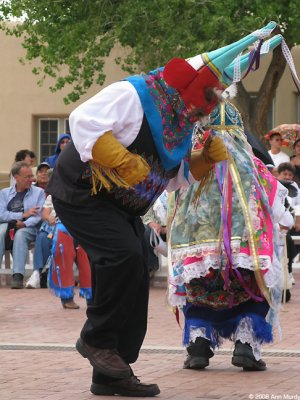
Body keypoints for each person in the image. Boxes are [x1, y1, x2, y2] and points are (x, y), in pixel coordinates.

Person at [46, 21, 286, 397]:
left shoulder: (182, 122)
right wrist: (120, 159)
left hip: (121, 204)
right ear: (188, 85)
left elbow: (171, 178)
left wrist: (201, 162)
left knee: (141, 261)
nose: (209, 107)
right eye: (209, 95)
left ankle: (111, 371)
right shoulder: (135, 93)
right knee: (122, 255)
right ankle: (97, 340)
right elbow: (82, 120)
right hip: (82, 191)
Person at [168, 101, 293, 372]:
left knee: (200, 290)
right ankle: (245, 345)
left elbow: (172, 202)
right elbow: (279, 207)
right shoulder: (253, 166)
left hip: (197, 251)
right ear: (239, 130)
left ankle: (199, 346)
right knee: (252, 291)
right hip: (245, 251)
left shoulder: (194, 168)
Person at [0, 161, 45, 288]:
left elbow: (38, 216)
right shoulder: (4, 193)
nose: (32, 179)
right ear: (16, 178)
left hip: (29, 227)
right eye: (28, 177)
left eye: (32, 176)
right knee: (0, 232)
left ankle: (18, 275)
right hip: (8, 225)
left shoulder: (38, 193)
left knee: (20, 234)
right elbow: (1, 214)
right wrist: (22, 215)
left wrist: (24, 224)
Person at [142, 190, 168, 278]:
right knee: (143, 231)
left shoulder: (181, 187)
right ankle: (150, 266)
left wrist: (166, 229)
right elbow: (147, 213)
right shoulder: (156, 188)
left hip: (174, 229)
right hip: (156, 228)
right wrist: (152, 224)